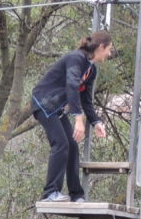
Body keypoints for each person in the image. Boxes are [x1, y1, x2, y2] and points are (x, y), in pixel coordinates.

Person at [31, 31, 115, 202]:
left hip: (56, 108)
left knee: (72, 145)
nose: (110, 54)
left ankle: (76, 194)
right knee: (61, 143)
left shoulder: (91, 69)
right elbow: (71, 85)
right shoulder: (76, 58)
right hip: (44, 103)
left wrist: (96, 121)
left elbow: (86, 99)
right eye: (109, 49)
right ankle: (50, 192)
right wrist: (78, 119)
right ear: (101, 47)